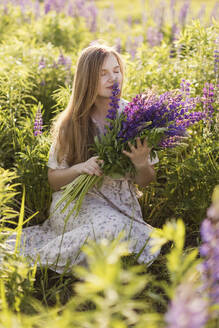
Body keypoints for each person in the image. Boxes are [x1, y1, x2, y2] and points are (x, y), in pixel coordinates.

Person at [5, 43, 160, 274]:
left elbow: (146, 180)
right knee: (111, 230)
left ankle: (91, 260)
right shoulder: (72, 122)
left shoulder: (135, 117)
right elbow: (54, 181)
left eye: (116, 70)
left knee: (117, 230)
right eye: (102, 73)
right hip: (74, 204)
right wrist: (80, 168)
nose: (112, 78)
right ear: (87, 78)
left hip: (120, 205)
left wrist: (140, 163)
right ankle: (35, 256)